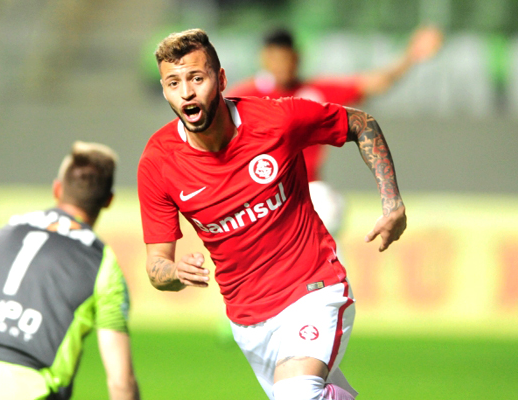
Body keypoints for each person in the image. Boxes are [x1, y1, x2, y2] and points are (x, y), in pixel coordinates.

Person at [137, 29, 406, 400]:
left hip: (314, 290)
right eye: (173, 83)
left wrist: (391, 203)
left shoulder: (276, 119)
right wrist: (174, 272)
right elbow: (156, 267)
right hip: (248, 321)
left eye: (197, 78)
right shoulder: (158, 163)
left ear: (222, 79)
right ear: (165, 91)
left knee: (297, 394)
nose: (186, 92)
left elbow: (361, 123)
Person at [0, 142, 140, 400]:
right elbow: (120, 381)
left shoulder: (1, 234)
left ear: (57, 188)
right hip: (23, 388)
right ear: (109, 200)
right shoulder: (103, 263)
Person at [227, 26, 441, 235]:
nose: (282, 65)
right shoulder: (245, 97)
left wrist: (411, 56)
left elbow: (374, 83)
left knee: (327, 207)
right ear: (265, 58)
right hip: (261, 196)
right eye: (276, 58)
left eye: (286, 57)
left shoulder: (312, 93)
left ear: (297, 57)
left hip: (307, 192)